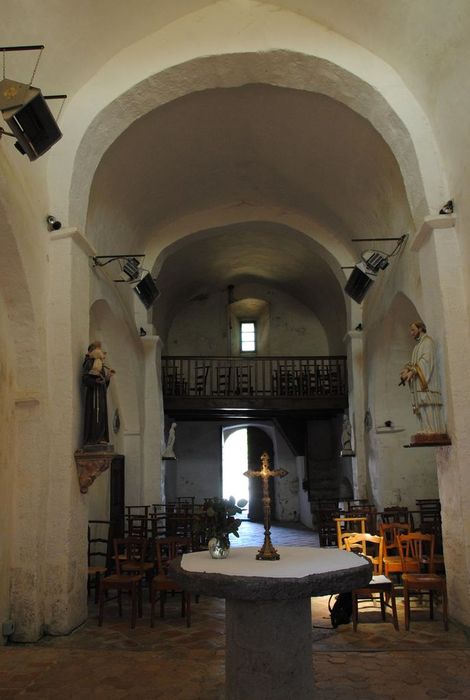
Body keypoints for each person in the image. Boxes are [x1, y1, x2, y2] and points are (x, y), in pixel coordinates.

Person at [399, 321, 446, 435]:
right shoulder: (417, 346)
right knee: (421, 405)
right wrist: (407, 370)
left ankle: (433, 429)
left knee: (428, 404)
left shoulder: (428, 342)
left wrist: (414, 371)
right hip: (419, 382)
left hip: (427, 381)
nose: (411, 333)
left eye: (413, 330)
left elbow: (426, 361)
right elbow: (413, 362)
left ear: (420, 329)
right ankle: (425, 428)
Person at [82, 341, 115, 446]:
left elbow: (104, 384)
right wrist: (95, 381)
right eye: (98, 349)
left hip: (100, 394)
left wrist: (107, 378)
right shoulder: (89, 362)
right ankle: (93, 439)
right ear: (93, 351)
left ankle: (101, 437)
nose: (101, 352)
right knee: (95, 414)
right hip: (93, 395)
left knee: (101, 415)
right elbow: (85, 379)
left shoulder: (100, 363)